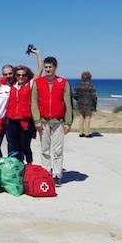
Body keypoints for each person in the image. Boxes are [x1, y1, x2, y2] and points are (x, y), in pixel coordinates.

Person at [31, 56, 73, 187]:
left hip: (58, 122)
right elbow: (34, 103)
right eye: (46, 67)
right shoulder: (38, 82)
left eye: (50, 67)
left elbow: (68, 103)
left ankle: (56, 174)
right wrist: (37, 120)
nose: (48, 69)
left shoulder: (63, 82)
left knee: (57, 150)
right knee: (44, 149)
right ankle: (45, 173)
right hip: (43, 121)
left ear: (55, 68)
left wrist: (68, 122)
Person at [6, 48, 43, 164]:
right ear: (15, 76)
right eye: (18, 75)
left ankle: (29, 166)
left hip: (26, 122)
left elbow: (40, 69)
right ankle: (17, 168)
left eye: (23, 75)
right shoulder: (11, 86)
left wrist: (37, 54)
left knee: (25, 146)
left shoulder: (30, 85)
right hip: (12, 122)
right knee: (14, 147)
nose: (21, 77)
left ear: (27, 76)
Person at [73, 71, 97, 137]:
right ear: (89, 78)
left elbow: (74, 95)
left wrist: (78, 99)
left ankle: (81, 133)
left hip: (80, 104)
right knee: (87, 118)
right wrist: (94, 106)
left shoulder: (78, 85)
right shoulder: (91, 86)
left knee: (81, 118)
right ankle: (87, 133)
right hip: (89, 105)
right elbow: (94, 97)